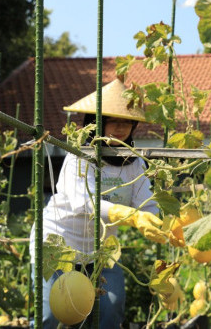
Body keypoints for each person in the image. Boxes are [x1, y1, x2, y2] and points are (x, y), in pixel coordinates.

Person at [30, 79, 170, 328]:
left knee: (111, 309)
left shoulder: (135, 164)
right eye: (113, 120)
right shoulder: (79, 155)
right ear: (96, 123)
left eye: (127, 121)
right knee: (50, 316)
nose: (120, 128)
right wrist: (127, 214)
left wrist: (160, 223)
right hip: (57, 245)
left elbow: (146, 205)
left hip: (101, 252)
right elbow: (81, 203)